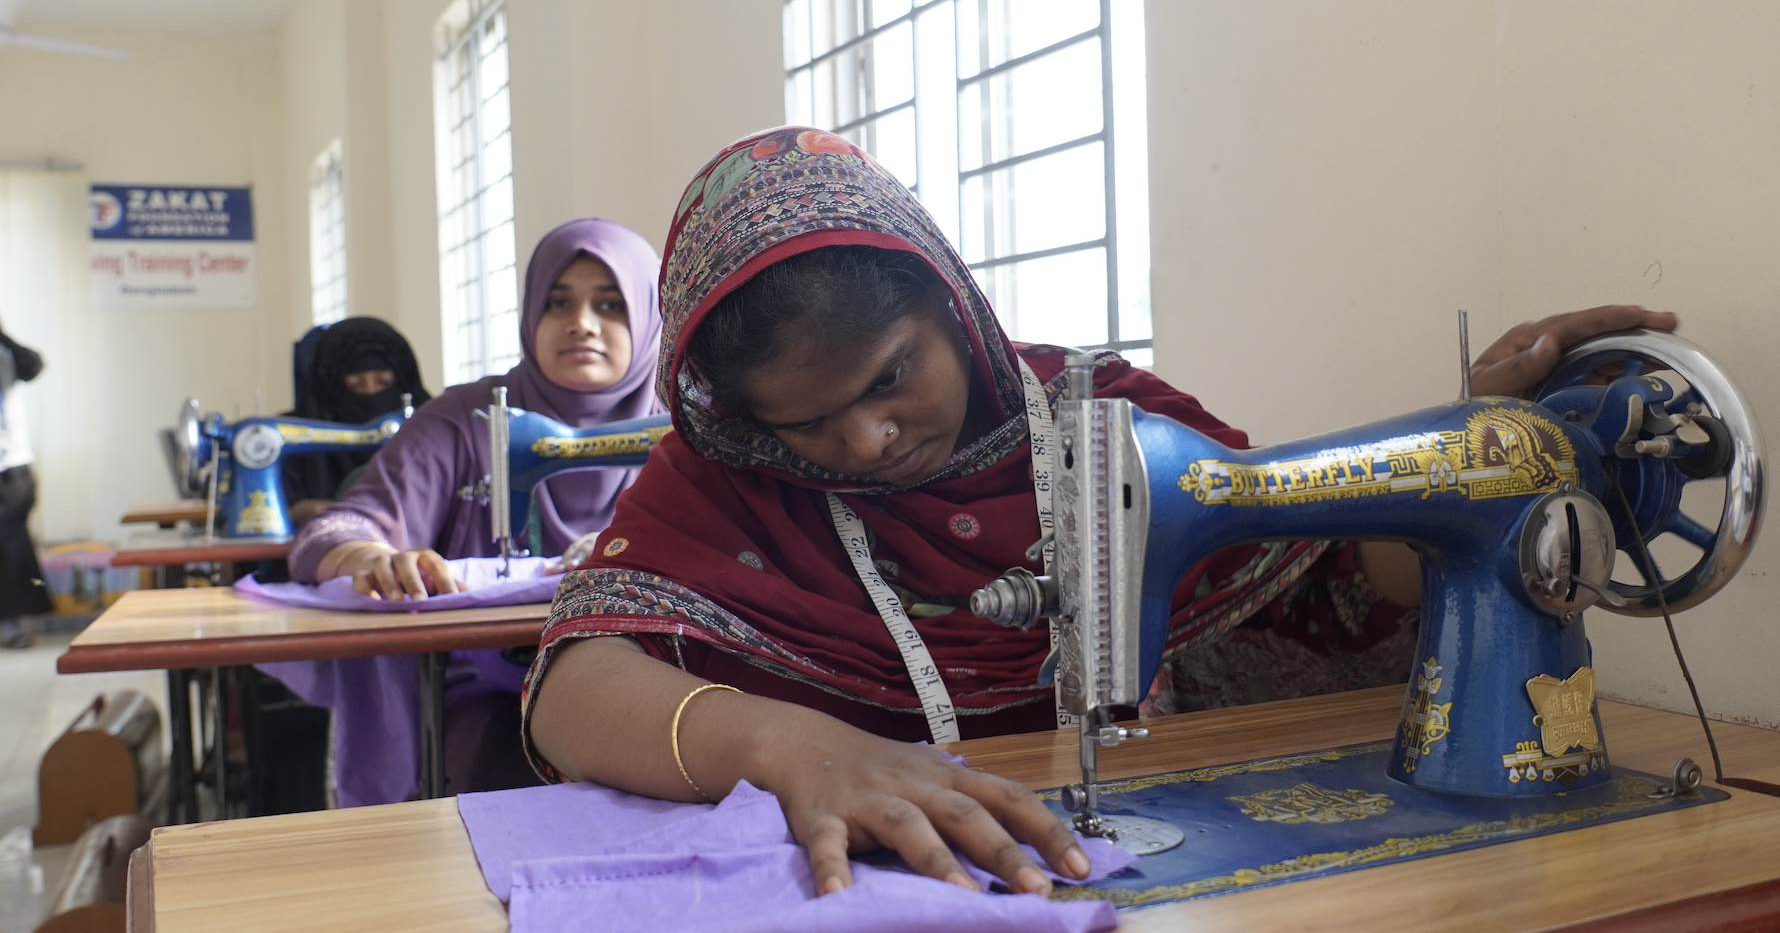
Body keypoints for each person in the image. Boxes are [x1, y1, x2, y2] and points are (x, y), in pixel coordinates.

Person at [523, 126, 1677, 898]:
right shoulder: (724, 476)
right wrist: (783, 742)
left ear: (953, 299)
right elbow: (576, 688)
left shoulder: (1103, 421)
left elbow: (1328, 586)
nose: (863, 441)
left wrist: (1470, 458)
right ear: (743, 418)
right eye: (806, 423)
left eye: (887, 378)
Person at [274, 218, 663, 805]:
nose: (581, 323)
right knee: (496, 769)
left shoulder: (687, 427)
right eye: (559, 302)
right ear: (532, 312)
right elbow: (334, 530)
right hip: (492, 687)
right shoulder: (465, 420)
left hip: (652, 674)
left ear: (648, 315)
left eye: (610, 305)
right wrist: (371, 556)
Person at [283, 317, 433, 524]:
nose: (371, 392)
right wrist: (307, 510)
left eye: (384, 382)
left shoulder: (433, 427)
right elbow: (280, 512)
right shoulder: (289, 436)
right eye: (354, 386)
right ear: (329, 391)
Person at [0, 322, 49, 648]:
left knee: (12, 542)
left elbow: (33, 365)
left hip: (12, 467)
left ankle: (14, 624)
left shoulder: (8, 354)